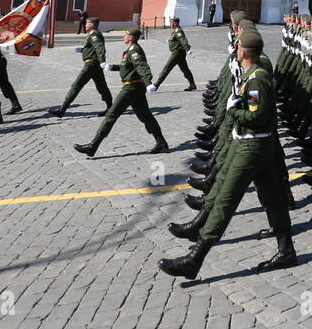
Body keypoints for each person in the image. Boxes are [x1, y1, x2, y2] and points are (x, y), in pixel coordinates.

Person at [159, 30, 297, 279]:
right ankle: (286, 250)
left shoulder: (257, 79)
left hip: (252, 146)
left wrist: (234, 111)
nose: (236, 48)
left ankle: (195, 259)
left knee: (226, 198)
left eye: (238, 46)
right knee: (273, 198)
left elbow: (256, 117)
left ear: (244, 51)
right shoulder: (251, 75)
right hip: (256, 144)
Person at [72, 28, 170, 157]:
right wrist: (114, 67)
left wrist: (148, 83)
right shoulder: (130, 50)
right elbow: (128, 67)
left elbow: (142, 66)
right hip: (135, 87)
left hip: (131, 88)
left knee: (111, 115)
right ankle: (161, 142)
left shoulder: (134, 50)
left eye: (126, 34)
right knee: (145, 115)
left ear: (132, 38)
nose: (124, 36)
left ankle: (93, 146)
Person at [48, 18, 114, 117]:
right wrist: (83, 50)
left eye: (87, 23)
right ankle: (110, 108)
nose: (85, 24)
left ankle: (62, 110)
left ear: (93, 25)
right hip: (94, 64)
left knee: (76, 85)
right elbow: (93, 47)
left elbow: (99, 47)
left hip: (91, 64)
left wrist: (102, 61)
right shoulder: (92, 34)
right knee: (102, 86)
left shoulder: (94, 34)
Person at [150, 16, 196, 92]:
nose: (170, 24)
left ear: (175, 23)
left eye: (171, 22)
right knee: (185, 69)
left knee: (167, 68)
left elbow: (183, 40)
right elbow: (177, 40)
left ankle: (156, 85)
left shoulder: (178, 31)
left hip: (177, 53)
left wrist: (188, 49)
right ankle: (192, 84)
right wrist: (170, 41)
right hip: (179, 52)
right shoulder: (175, 31)